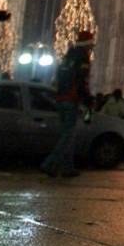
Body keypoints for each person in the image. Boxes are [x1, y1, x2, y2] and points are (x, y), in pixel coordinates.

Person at [41, 30, 95, 177]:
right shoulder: (82, 58)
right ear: (87, 45)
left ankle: (67, 167)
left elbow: (58, 76)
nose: (91, 49)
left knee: (68, 135)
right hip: (71, 98)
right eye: (91, 46)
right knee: (68, 136)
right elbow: (81, 81)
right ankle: (50, 163)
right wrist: (88, 99)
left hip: (61, 98)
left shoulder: (68, 56)